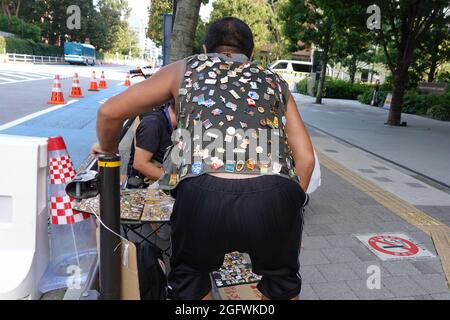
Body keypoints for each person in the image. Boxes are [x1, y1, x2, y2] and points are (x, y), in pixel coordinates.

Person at [92, 17, 315, 300]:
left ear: (205, 47)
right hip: (275, 194)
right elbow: (306, 159)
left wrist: (107, 150)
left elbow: (109, 113)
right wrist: (291, 211)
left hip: (201, 194)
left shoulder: (186, 67)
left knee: (190, 285)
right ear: (253, 54)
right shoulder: (274, 80)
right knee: (282, 288)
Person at [126, 102, 176, 188]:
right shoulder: (152, 124)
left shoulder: (174, 124)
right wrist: (175, 180)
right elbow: (140, 164)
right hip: (145, 188)